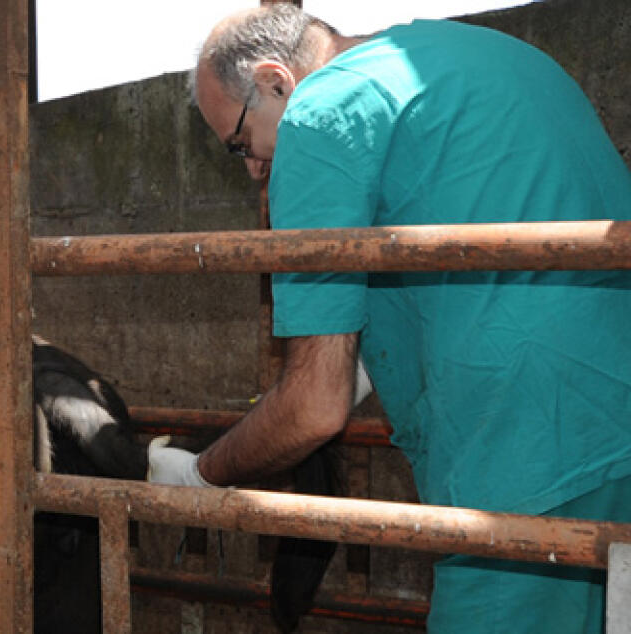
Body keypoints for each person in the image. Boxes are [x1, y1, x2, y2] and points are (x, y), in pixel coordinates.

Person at [148, 5, 631, 632]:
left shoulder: (322, 113)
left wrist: (200, 475)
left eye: (242, 142)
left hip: (526, 457)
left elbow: (314, 405)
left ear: (276, 82)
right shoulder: (478, 54)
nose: (252, 168)